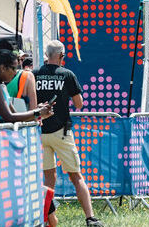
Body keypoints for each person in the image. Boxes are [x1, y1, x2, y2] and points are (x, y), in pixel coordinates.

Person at [32, 41, 99, 226]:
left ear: (46, 55)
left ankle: (46, 218)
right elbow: (79, 104)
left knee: (48, 177)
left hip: (40, 131)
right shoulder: (67, 74)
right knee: (76, 176)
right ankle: (90, 217)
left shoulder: (34, 74)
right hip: (62, 132)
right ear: (62, 55)